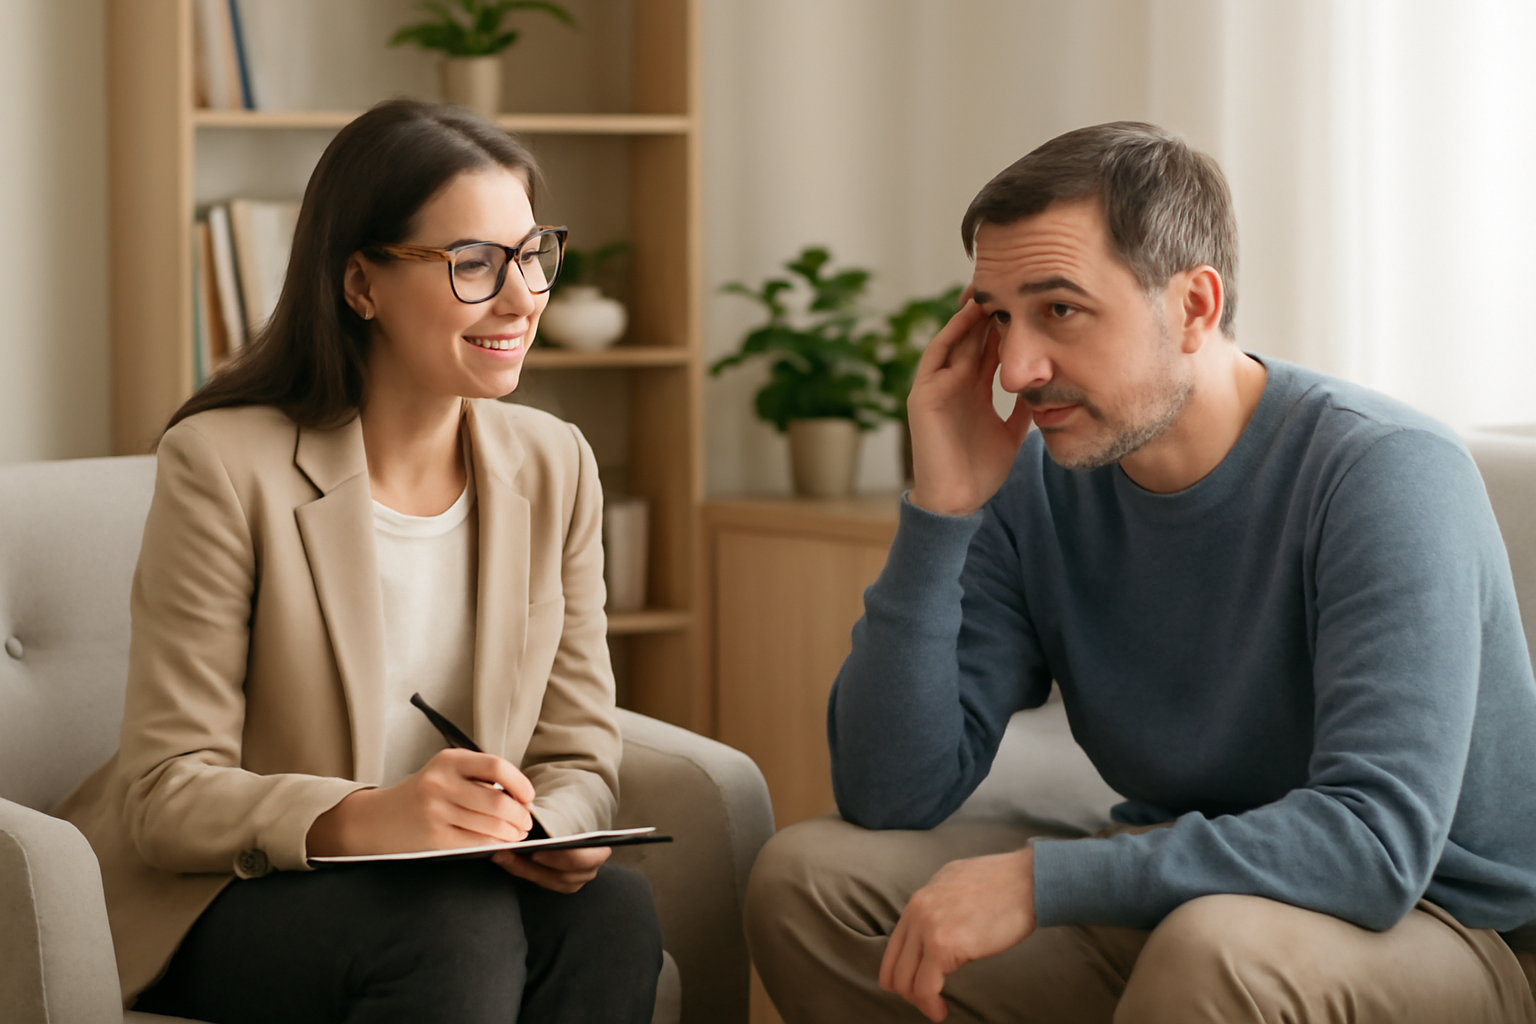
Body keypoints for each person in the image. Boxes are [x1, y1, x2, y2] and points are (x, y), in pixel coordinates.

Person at [745, 121, 1536, 1023]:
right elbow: (889, 792)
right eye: (998, 315)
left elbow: (1373, 844)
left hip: (1441, 928)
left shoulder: (1385, 473)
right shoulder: (1038, 479)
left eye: (1061, 310)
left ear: (1196, 306)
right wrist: (942, 515)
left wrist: (1046, 882)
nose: (1016, 367)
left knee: (1216, 952)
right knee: (809, 880)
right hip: (1184, 897)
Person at [58, 99, 662, 1023]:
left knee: (614, 911)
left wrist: (561, 831)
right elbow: (164, 791)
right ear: (360, 284)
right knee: (453, 926)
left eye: (532, 253)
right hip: (231, 891)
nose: (521, 296)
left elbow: (578, 748)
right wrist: (366, 817)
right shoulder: (224, 464)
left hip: (449, 885)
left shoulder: (556, 462)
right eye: (473, 264)